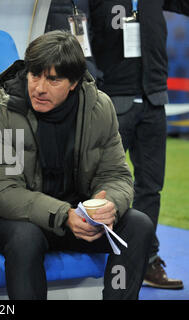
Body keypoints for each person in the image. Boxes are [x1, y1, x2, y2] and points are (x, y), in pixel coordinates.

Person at [0, 30, 154, 300]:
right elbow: (3, 193)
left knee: (138, 224)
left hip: (75, 216)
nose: (39, 87)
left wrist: (109, 205)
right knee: (26, 237)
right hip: (3, 216)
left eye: (53, 79)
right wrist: (64, 215)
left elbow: (117, 175)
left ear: (73, 83)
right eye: (34, 75)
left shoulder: (100, 107)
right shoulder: (0, 110)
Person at [87, 0, 188, 289]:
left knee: (151, 188)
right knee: (100, 184)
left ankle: (145, 259)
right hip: (112, 98)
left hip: (154, 97)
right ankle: (101, 260)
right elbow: (77, 28)